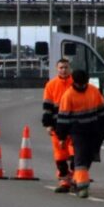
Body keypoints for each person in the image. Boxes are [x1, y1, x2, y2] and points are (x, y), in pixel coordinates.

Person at [55, 69, 104, 199]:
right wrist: (62, 137)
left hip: (93, 131)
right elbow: (63, 119)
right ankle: (82, 186)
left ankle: (77, 179)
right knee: (81, 158)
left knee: (89, 157)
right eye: (79, 84)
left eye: (84, 84)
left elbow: (103, 110)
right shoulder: (68, 96)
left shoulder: (93, 91)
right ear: (74, 83)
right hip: (78, 132)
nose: (82, 86)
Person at [42, 58, 75, 192]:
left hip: (74, 125)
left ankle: (76, 177)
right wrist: (48, 125)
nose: (63, 70)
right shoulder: (51, 85)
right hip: (57, 126)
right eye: (61, 67)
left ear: (70, 68)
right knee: (60, 156)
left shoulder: (75, 83)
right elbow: (47, 107)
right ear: (57, 69)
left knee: (75, 153)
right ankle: (64, 180)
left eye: (66, 67)